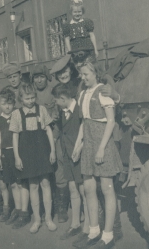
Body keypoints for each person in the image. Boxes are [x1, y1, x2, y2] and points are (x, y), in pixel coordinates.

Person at [73, 59, 123, 249]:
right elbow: (84, 123)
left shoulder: (104, 91)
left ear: (96, 73)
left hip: (103, 143)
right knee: (88, 189)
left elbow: (110, 122)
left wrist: (102, 148)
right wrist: (78, 145)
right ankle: (93, 231)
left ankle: (108, 235)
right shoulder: (83, 94)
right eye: (82, 74)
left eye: (86, 74)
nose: (83, 77)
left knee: (107, 189)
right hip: (88, 143)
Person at [9, 83, 57, 233]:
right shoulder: (16, 114)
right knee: (33, 186)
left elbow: (48, 131)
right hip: (27, 154)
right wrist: (17, 157)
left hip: (42, 151)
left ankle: (48, 218)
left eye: (32, 98)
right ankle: (37, 219)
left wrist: (52, 151)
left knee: (45, 183)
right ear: (21, 98)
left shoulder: (41, 109)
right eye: (27, 98)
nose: (30, 101)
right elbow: (15, 137)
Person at [31, 64, 69, 223]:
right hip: (37, 137)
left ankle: (61, 207)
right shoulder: (31, 93)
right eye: (36, 77)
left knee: (58, 165)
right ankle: (45, 206)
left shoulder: (54, 90)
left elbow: (59, 116)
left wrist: (53, 136)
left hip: (55, 133)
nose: (39, 80)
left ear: (46, 77)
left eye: (41, 76)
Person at [52, 83, 89, 241]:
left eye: (57, 100)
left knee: (83, 190)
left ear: (63, 98)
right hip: (68, 156)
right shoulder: (62, 111)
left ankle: (88, 225)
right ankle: (75, 224)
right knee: (73, 189)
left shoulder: (79, 110)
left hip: (79, 156)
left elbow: (85, 131)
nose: (55, 103)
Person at [0, 88, 21, 225]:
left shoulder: (17, 116)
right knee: (9, 183)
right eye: (4, 103)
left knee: (18, 183)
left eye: (10, 103)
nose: (7, 106)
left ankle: (20, 209)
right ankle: (11, 209)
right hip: (4, 154)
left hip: (16, 153)